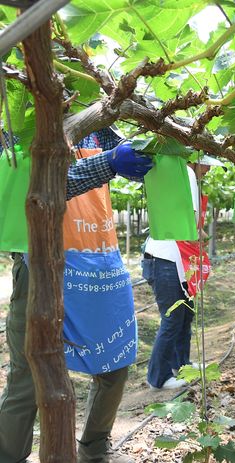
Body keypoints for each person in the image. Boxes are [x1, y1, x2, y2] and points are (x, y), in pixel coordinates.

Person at [0, 130, 153, 463]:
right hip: (38, 263)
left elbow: (134, 155)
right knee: (28, 374)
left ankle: (95, 449)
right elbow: (43, 187)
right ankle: (8, 455)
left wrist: (151, 150)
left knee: (116, 359)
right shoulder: (19, 118)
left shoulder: (99, 119)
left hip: (98, 259)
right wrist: (110, 163)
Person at [142, 155, 221, 390]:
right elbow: (190, 219)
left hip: (174, 258)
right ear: (197, 159)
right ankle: (158, 377)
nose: (208, 170)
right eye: (207, 164)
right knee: (173, 317)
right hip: (166, 258)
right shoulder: (187, 175)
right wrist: (201, 235)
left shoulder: (180, 173)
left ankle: (182, 364)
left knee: (185, 314)